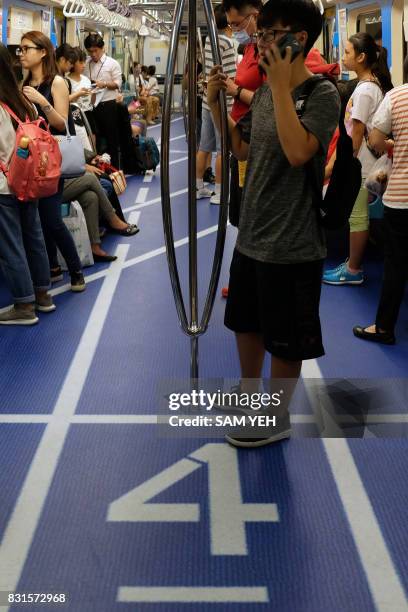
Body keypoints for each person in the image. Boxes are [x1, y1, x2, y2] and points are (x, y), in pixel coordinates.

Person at [208, 0, 340, 447]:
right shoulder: (264, 94)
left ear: (297, 39)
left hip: (293, 239)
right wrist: (215, 108)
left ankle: (277, 415)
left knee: (286, 338)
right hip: (254, 230)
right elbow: (244, 151)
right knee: (246, 322)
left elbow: (298, 151)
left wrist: (282, 87)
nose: (258, 43)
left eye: (267, 34)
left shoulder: (321, 95)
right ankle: (250, 399)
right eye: (258, 34)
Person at [322, 33, 393, 286]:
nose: (343, 57)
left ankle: (353, 269)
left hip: (362, 163)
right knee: (357, 214)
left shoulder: (364, 91)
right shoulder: (371, 85)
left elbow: (357, 132)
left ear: (362, 57)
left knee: (357, 216)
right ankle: (353, 264)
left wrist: (344, 165)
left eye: (348, 53)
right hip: (362, 162)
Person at [19, 30, 85, 291]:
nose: (22, 54)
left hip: (52, 157)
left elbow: (61, 122)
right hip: (31, 158)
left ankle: (76, 270)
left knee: (51, 218)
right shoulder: (23, 82)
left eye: (27, 49)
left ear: (43, 52)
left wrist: (42, 102)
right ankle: (53, 268)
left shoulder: (56, 82)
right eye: (20, 50)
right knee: (35, 218)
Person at [353, 56, 408, 345]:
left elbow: (374, 139)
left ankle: (384, 328)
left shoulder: (396, 96)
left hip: (401, 196)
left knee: (396, 264)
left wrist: (394, 145)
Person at [0, 43, 55, 325]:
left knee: (11, 245)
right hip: (29, 181)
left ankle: (23, 305)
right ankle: (42, 295)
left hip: (4, 185)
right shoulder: (25, 101)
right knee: (34, 239)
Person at [196, 3, 237, 205]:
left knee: (204, 147)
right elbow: (232, 74)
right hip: (223, 103)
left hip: (206, 100)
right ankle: (220, 192)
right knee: (223, 149)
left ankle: (198, 187)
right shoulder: (228, 44)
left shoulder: (207, 42)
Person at [62, 169, 139, 262]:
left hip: (63, 180)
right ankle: (113, 218)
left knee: (91, 197)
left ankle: (94, 246)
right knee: (91, 178)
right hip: (52, 185)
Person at [83, 33, 122, 168]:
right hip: (91, 106)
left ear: (102, 48)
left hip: (108, 105)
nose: (93, 54)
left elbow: (117, 84)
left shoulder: (112, 64)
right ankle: (99, 168)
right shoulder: (85, 63)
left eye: (95, 50)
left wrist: (104, 84)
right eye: (90, 51)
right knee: (96, 139)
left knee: (112, 139)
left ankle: (115, 169)